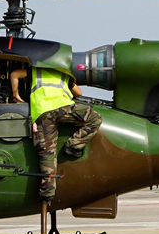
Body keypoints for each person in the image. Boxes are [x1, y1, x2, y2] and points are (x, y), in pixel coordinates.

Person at [10, 66, 102, 203]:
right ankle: (73, 146)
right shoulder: (64, 73)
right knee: (95, 119)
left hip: (43, 113)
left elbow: (14, 73)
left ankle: (47, 194)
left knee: (47, 153)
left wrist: (16, 94)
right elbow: (79, 92)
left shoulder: (35, 70)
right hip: (64, 108)